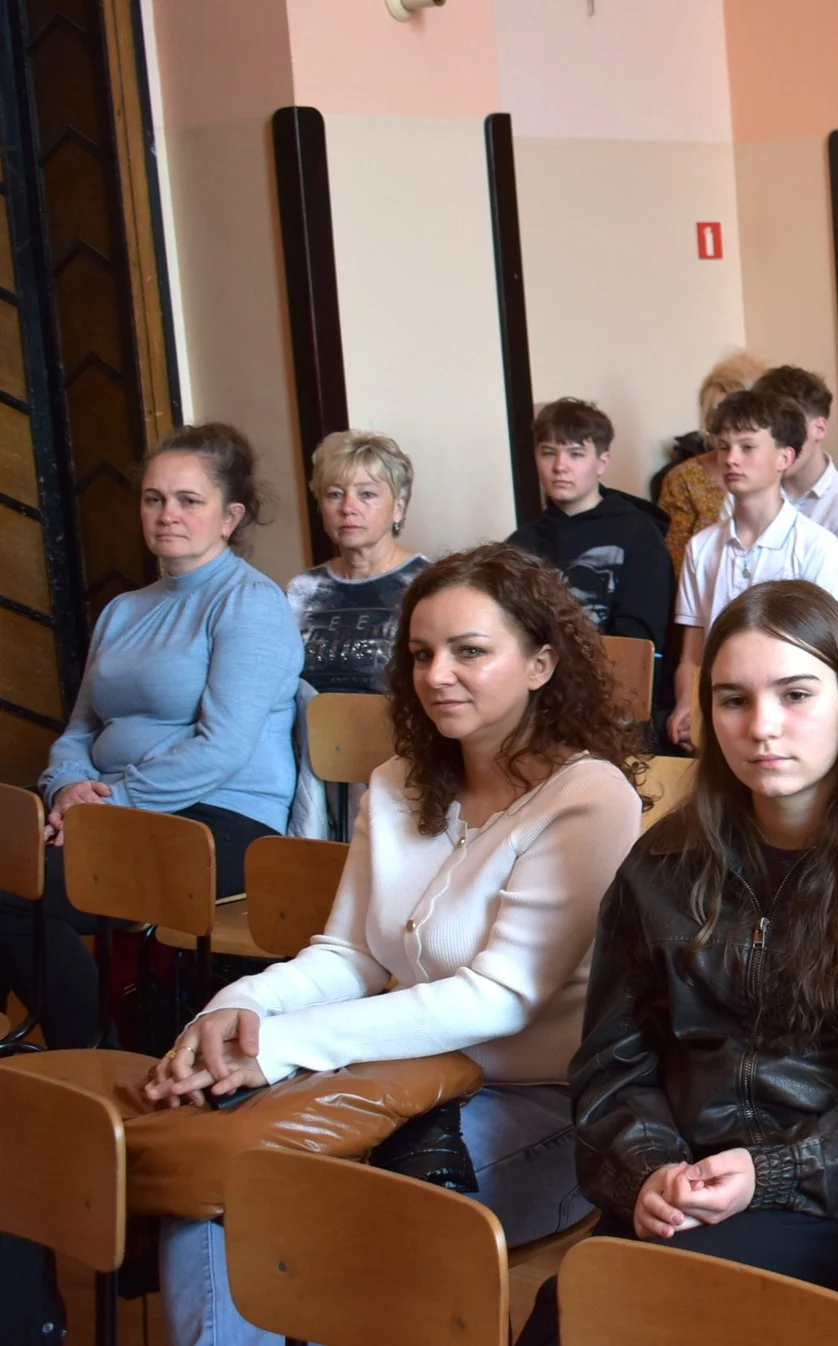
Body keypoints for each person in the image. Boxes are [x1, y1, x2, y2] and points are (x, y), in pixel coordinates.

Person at [141, 543, 646, 1346]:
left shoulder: (588, 796)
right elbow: (349, 956)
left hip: (534, 1107)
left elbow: (501, 996)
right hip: (395, 1080)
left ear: (542, 664)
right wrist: (232, 1011)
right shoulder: (396, 782)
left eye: (470, 651)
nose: (437, 673)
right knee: (209, 1188)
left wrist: (278, 1047)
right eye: (421, 653)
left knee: (271, 1205)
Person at [512, 582, 838, 1346]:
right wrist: (650, 1170)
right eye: (732, 700)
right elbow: (613, 1065)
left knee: (645, 1304)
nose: (763, 728)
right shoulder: (659, 863)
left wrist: (775, 1173)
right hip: (681, 1188)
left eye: (795, 694)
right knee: (572, 1310)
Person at [1, 424, 301, 1052]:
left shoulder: (250, 604)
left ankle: (88, 1061)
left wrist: (105, 807)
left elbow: (222, 748)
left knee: (16, 893)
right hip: (108, 812)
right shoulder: (124, 609)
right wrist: (65, 790)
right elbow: (81, 727)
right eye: (153, 498)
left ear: (229, 516)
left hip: (219, 822)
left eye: (189, 500)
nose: (168, 515)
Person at [670, 390, 838, 751]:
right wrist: (685, 705)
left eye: (747, 447)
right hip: (721, 705)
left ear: (784, 457)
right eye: (723, 447)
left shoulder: (817, 546)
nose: (731, 459)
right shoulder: (702, 547)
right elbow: (692, 655)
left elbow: (832, 658)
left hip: (790, 712)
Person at [508, 397, 675, 655]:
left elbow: (640, 644)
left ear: (602, 462)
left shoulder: (639, 534)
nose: (560, 467)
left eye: (575, 454)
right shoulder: (518, 545)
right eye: (548, 453)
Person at [287, 430, 428, 694]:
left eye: (367, 495)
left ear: (398, 507)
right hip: (313, 731)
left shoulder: (427, 584)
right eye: (335, 494)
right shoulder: (302, 590)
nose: (348, 507)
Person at [756, 365, 838, 592]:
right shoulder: (750, 491)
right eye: (770, 430)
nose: (780, 443)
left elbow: (828, 604)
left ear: (819, 429)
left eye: (790, 428)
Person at [653, 350, 768, 531]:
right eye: (716, 416)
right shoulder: (685, 480)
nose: (725, 427)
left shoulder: (782, 468)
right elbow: (676, 555)